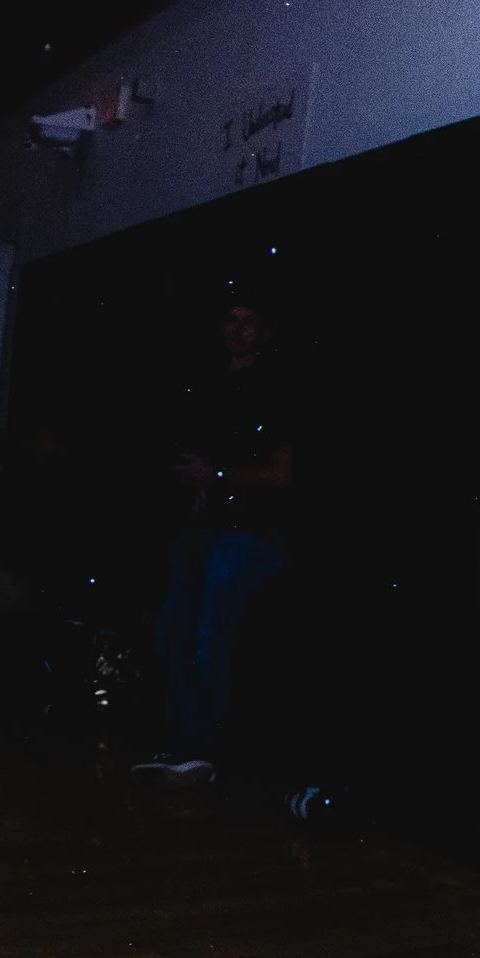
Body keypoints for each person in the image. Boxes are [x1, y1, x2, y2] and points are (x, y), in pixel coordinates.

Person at [143, 295, 296, 777]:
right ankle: (184, 742)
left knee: (210, 634)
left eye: (250, 321)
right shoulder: (206, 389)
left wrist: (219, 477)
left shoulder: (275, 389)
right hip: (198, 532)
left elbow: (281, 474)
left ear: (265, 331)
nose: (238, 329)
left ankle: (208, 747)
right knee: (171, 632)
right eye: (231, 320)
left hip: (247, 534)